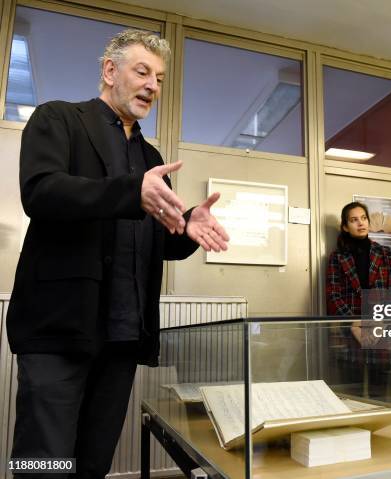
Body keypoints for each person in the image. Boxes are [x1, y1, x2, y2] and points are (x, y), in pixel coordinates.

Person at [7, 30, 229, 478]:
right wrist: (132, 192)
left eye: (160, 78)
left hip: (122, 338)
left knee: (94, 462)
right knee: (42, 462)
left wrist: (186, 227)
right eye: (142, 71)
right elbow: (42, 191)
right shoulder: (59, 119)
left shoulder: (151, 156)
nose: (152, 86)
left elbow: (157, 242)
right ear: (110, 72)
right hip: (59, 331)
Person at [326, 201, 391, 398]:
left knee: (381, 395)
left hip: (380, 329)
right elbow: (333, 295)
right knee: (352, 394)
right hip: (350, 331)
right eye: (353, 220)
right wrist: (354, 323)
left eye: (363, 218)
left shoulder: (385, 253)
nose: (360, 223)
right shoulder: (337, 257)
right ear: (345, 226)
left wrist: (380, 322)